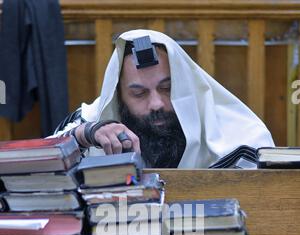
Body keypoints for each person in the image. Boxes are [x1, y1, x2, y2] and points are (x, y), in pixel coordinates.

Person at [54, 29, 274, 168]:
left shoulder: (238, 134)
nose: (156, 104)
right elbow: (36, 165)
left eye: (168, 88)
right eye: (139, 93)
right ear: (117, 97)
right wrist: (84, 135)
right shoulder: (94, 122)